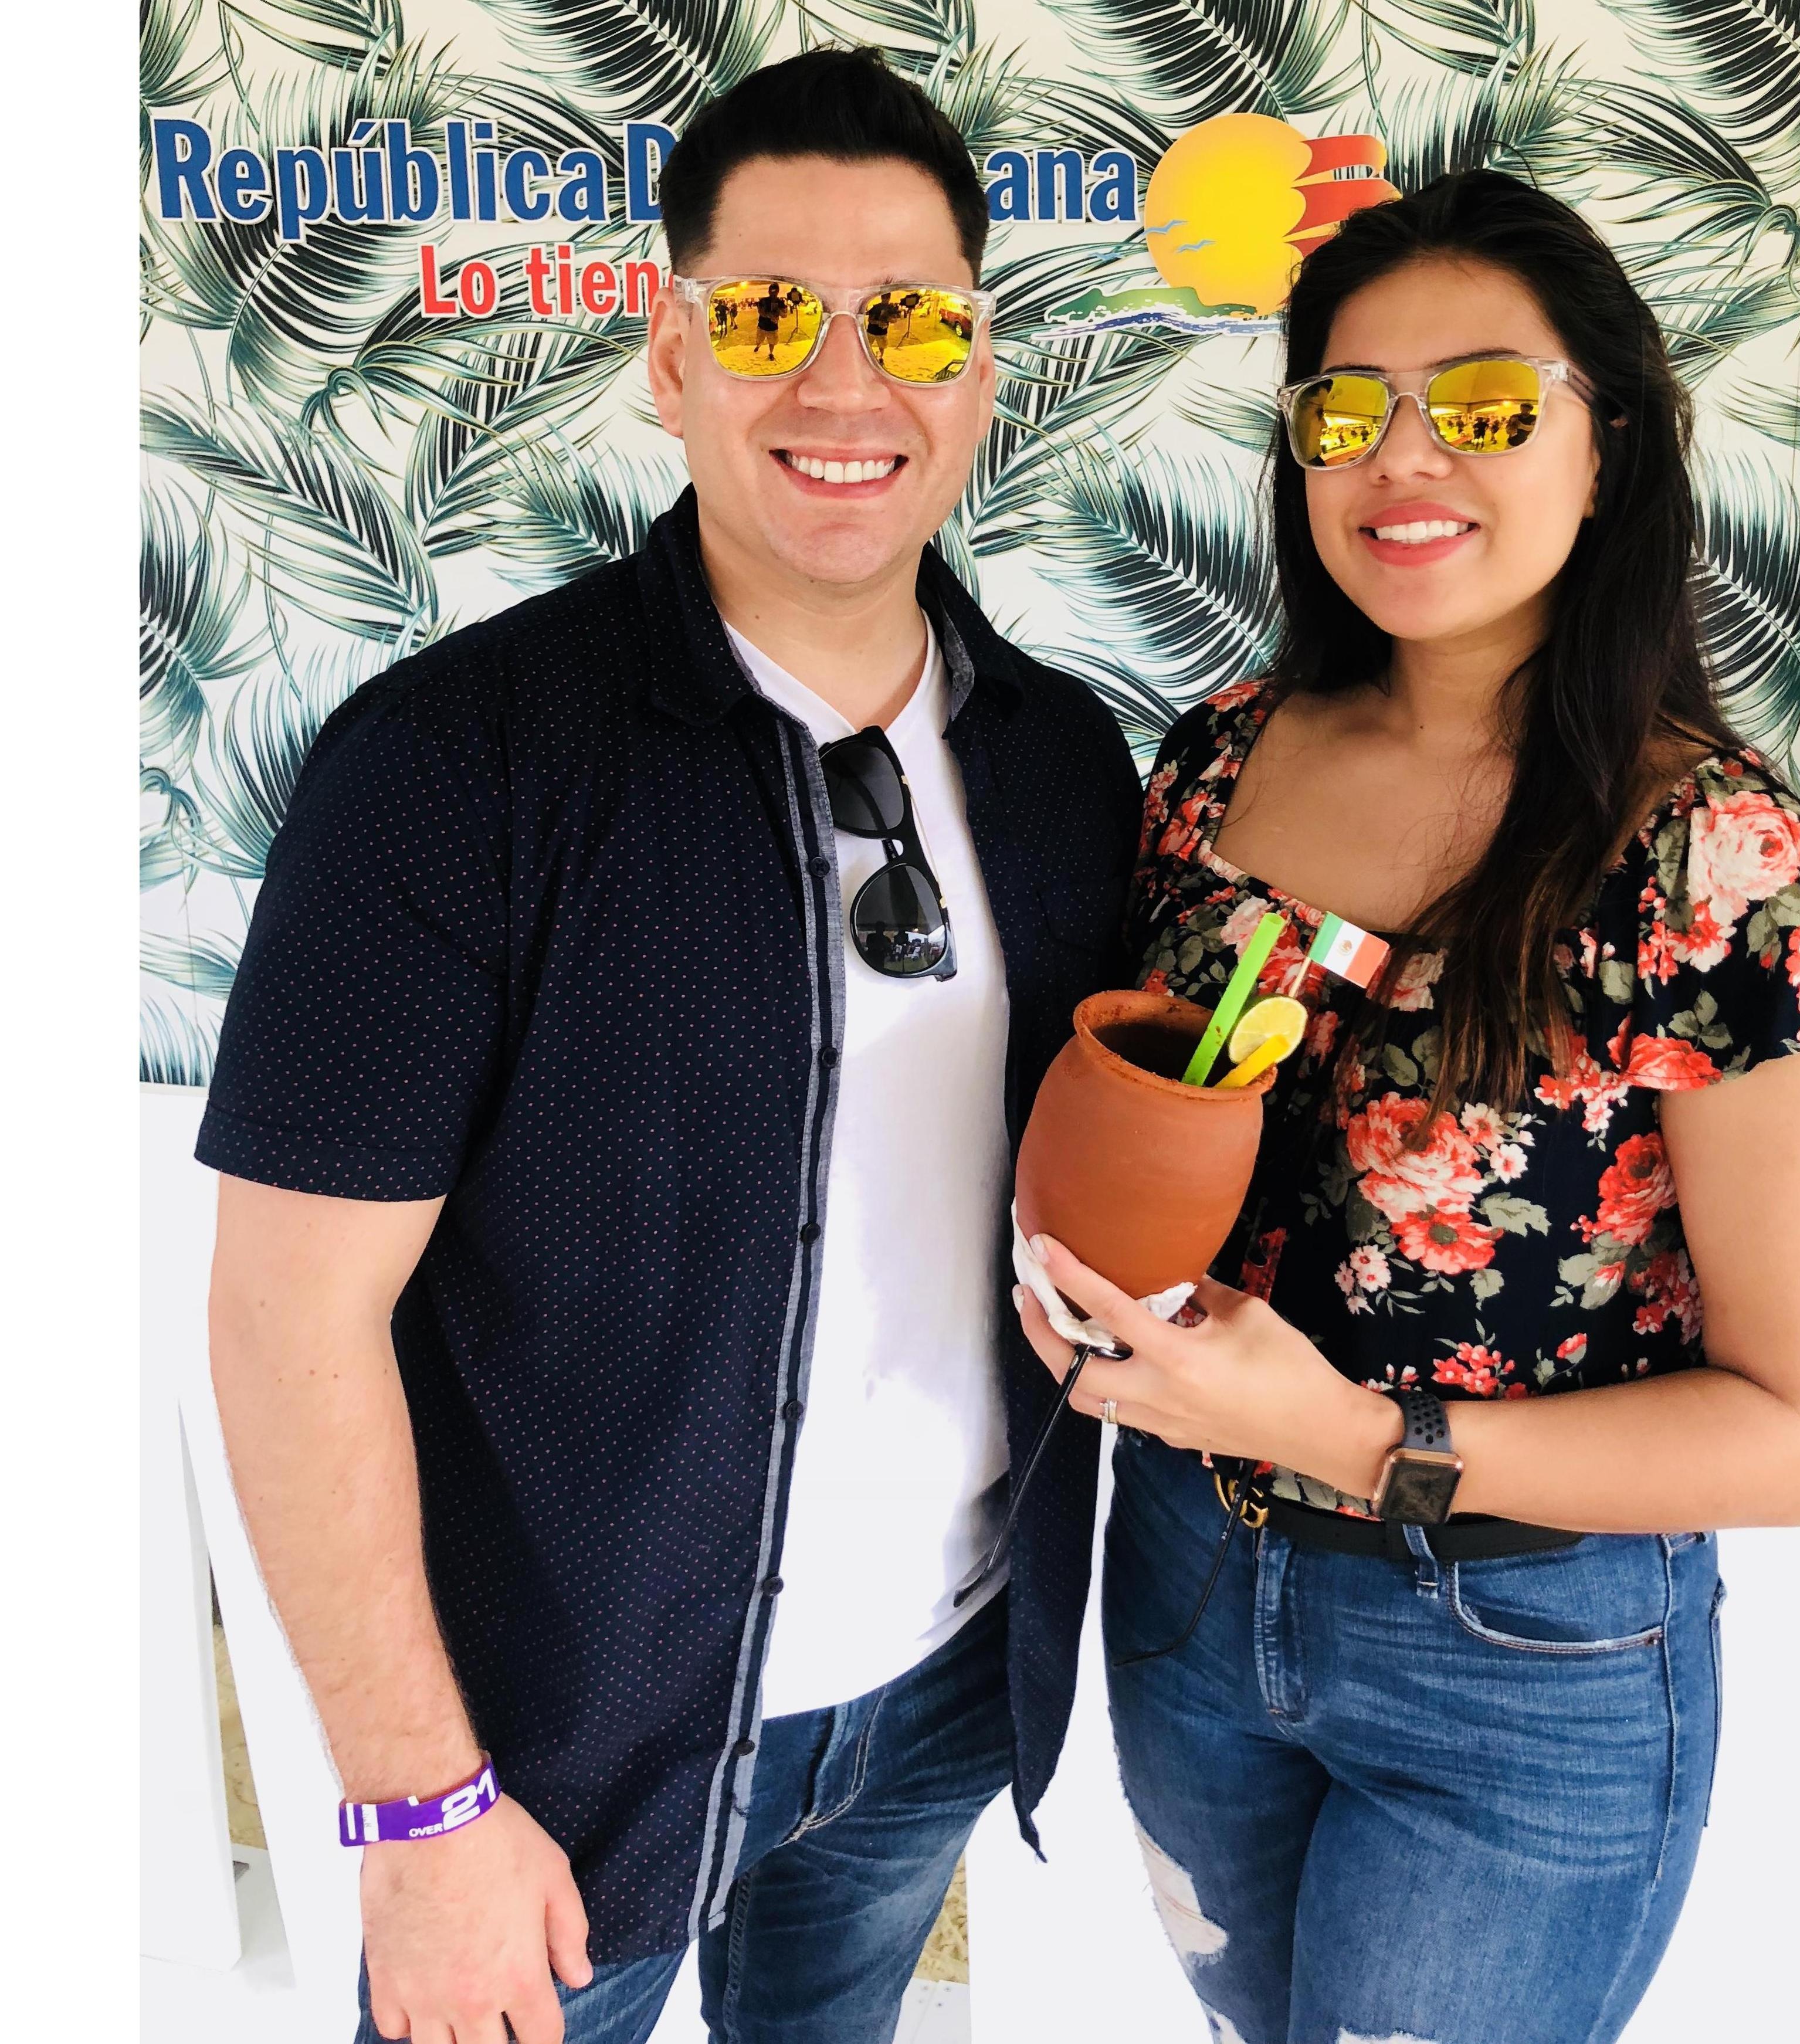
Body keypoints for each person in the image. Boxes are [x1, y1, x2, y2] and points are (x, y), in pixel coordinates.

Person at [202, 46, 1139, 2044]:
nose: (846, 384)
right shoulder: (450, 766)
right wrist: (419, 1806)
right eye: (773, 314)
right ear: (671, 352)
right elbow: (289, 1323)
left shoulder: (1063, 759)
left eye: (912, 321)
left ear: (981, 365)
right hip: (555, 1756)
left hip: (940, 1689)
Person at [1014, 170, 1800, 2044]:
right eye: (1344, 411)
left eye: (1486, 404)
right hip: (1184, 1583)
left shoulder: (1726, 868)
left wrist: (1356, 1436)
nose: (1402, 457)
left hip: (1520, 1658)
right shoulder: (1217, 763)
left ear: (1612, 442)